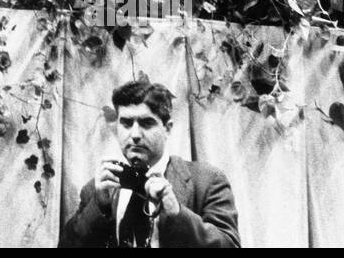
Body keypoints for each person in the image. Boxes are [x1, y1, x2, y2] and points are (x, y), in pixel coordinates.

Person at [60, 79, 240, 248]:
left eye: (146, 123)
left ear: (167, 128)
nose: (135, 134)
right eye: (127, 123)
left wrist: (176, 212)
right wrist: (99, 206)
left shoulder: (207, 181)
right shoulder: (97, 189)